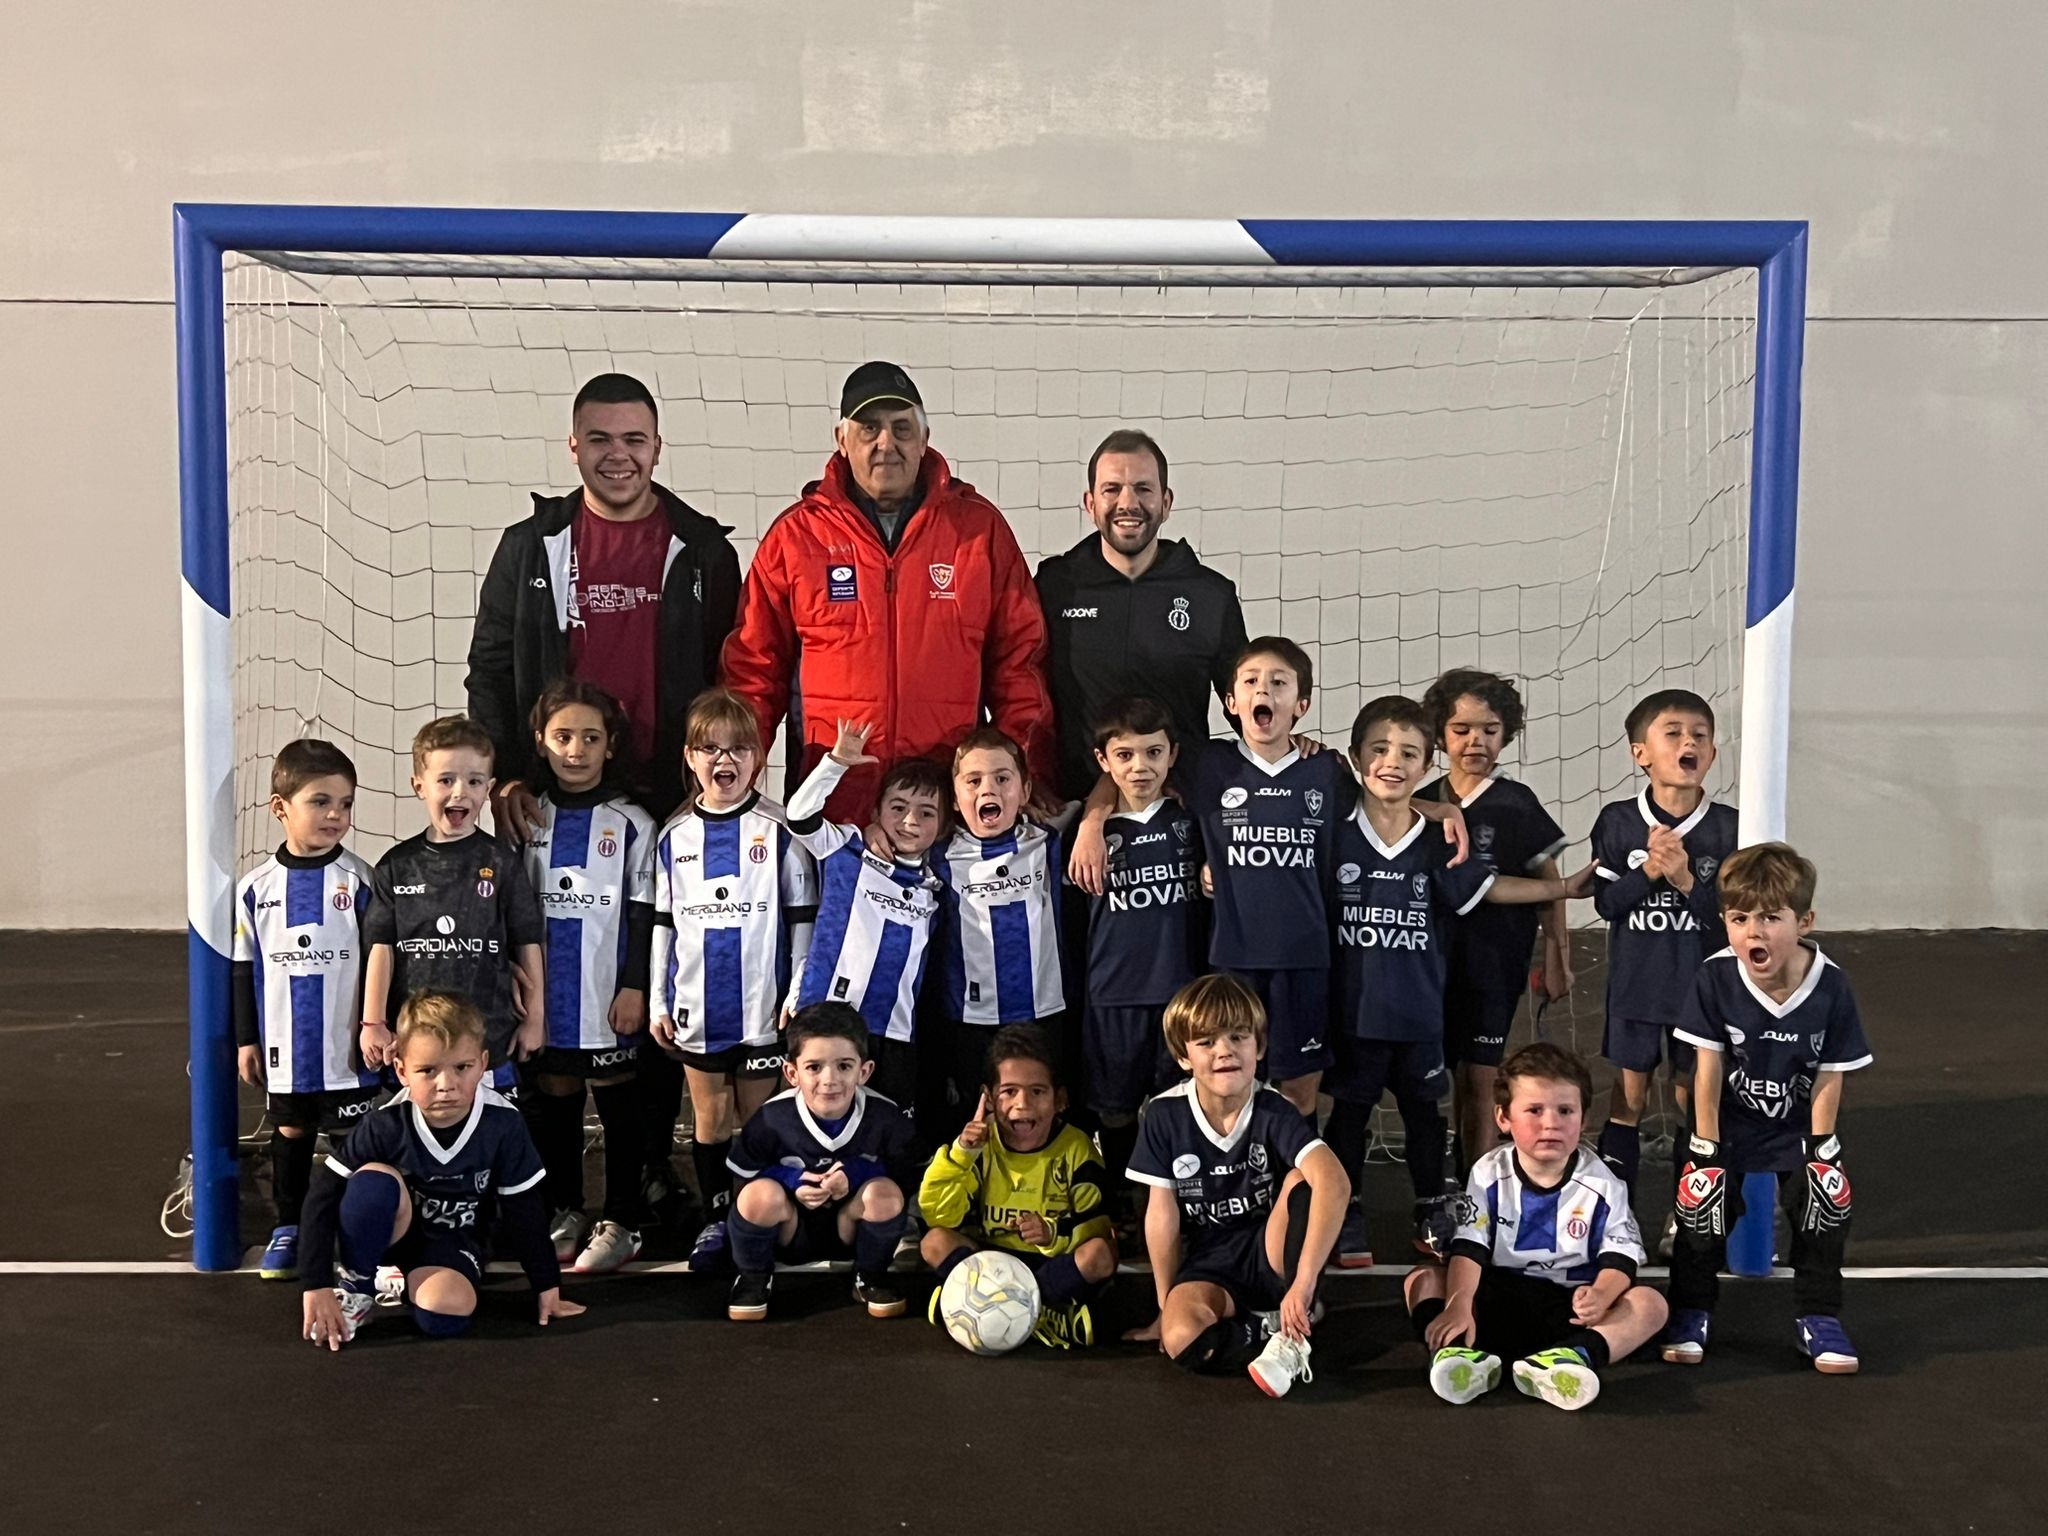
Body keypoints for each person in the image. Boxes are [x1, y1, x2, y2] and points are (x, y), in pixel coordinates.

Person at [719, 361, 1057, 824]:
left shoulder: (979, 532)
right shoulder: (796, 538)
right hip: (834, 810)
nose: (886, 444)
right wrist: (733, 780)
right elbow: (753, 670)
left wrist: (1020, 776)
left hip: (944, 807)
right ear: (842, 439)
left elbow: (1020, 666)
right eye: (869, 428)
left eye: (901, 428)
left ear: (924, 438)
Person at [1324, 696, 1590, 1269]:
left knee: (1425, 1115)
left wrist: (1562, 890)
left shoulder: (1438, 841)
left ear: (1426, 768)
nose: (1392, 762)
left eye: (1408, 753)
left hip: (1420, 1010)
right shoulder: (1334, 836)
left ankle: (1432, 1210)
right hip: (1354, 1012)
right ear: (1355, 758)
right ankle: (1347, 1214)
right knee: (1348, 1114)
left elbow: (1491, 888)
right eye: (1378, 750)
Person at [467, 371, 741, 827]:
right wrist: (507, 779)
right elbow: (490, 671)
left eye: (634, 439)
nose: (618, 455)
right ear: (574, 446)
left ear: (657, 447)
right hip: (550, 795)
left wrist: (712, 779)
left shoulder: (704, 551)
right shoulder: (529, 547)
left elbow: (730, 676)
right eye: (600, 440)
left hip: (676, 794)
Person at [1665, 843, 1872, 1373]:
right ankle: (1691, 1309)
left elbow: (1833, 1070)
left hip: (1798, 1126)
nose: (1753, 932)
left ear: (1804, 921)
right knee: (1699, 1215)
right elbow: (1705, 1068)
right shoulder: (1715, 977)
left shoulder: (1831, 986)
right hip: (1729, 1123)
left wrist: (1823, 1149)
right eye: (1739, 919)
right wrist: (1704, 1148)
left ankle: (1819, 1316)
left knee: (1824, 1212)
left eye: (1770, 918)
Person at [298, 990, 583, 1348]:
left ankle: (404, 1283)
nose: (446, 1085)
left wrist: (547, 1285)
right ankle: (358, 1286)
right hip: (391, 1233)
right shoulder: (386, 1122)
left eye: (461, 1068)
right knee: (371, 1181)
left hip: (454, 1242)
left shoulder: (503, 1125)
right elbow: (323, 1193)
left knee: (445, 1314)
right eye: (428, 1070)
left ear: (482, 1064)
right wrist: (316, 1284)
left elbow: (523, 1209)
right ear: (402, 1070)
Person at [648, 688, 818, 1273]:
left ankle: (762, 1216)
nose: (725, 760)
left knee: (759, 1119)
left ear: (759, 757)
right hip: (699, 1004)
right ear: (690, 758)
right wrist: (657, 1000)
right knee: (710, 1120)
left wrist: (797, 991)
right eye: (710, 748)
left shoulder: (780, 829)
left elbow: (802, 918)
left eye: (740, 748)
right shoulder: (672, 835)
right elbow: (663, 924)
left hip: (764, 1007)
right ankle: (716, 1218)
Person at [1405, 1042, 1665, 1411]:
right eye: (1534, 1110)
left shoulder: (1605, 1184)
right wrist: (1459, 1304)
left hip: (1570, 1309)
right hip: (1495, 1304)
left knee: (1650, 1303)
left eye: (1565, 1111)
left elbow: (1621, 1256)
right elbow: (1469, 1248)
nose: (1551, 1123)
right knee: (1422, 1279)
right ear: (1503, 1118)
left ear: (1583, 1119)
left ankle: (1570, 1360)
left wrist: (1603, 1296)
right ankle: (1461, 1358)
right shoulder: (1488, 1173)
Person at [1126, 975, 1349, 1399]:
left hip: (1270, 1252)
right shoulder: (1164, 1114)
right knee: (1180, 1339)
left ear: (1258, 1047)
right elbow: (1161, 1215)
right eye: (1206, 1042)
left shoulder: (1273, 1109)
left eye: (1237, 1036)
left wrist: (1303, 1283)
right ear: (1183, 1056)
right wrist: (1165, 1303)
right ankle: (1266, 1328)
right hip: (1209, 1264)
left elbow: (1335, 1182)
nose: (1224, 1050)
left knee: (1305, 1178)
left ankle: (1294, 1319)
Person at [518, 679, 657, 1275]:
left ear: (611, 745)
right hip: (547, 1000)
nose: (576, 750)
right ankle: (565, 1208)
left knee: (619, 1100)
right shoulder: (525, 817)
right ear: (541, 742)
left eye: (590, 738)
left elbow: (645, 912)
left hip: (608, 997)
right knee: (556, 1098)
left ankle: (623, 1216)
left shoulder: (632, 823)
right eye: (563, 737)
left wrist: (635, 986)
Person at [1034, 430, 1248, 802]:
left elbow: (1244, 705)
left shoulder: (1210, 594)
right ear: (1090, 503)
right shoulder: (1054, 588)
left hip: (1181, 806)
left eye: (1143, 489)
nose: (1127, 503)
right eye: (1112, 489)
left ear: (1166, 502)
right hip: (1077, 808)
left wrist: (1294, 755)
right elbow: (1022, 689)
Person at [233, 739, 380, 1281]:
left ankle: (354, 1225)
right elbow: (243, 970)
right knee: (291, 1134)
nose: (336, 815)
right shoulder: (255, 889)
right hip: (285, 1049)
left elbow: (381, 962)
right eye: (320, 802)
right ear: (280, 808)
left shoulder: (362, 881)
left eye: (345, 804)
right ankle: (289, 1225)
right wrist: (247, 1039)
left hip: (349, 1049)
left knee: (354, 1139)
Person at [1418, 668, 1573, 1170]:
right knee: (1438, 1074)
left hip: (1495, 962)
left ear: (1506, 732)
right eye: (1461, 729)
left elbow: (1552, 884)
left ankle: (1476, 1184)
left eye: (1488, 729)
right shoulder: (1425, 799)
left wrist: (1557, 957)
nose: (1475, 741)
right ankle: (1442, 1174)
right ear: (1440, 733)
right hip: (1431, 960)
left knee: (1482, 1075)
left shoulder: (1516, 802)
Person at [1588, 689, 1739, 1195]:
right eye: (1672, 733)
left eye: (1699, 735)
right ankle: (1614, 1212)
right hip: (1637, 986)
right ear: (1641, 753)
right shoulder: (1619, 820)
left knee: (1693, 1101)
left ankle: (1689, 1210)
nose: (1687, 743)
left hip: (1701, 992)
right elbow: (1607, 904)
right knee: (1629, 1095)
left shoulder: (1730, 828)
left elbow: (1730, 924)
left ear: (1713, 753)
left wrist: (1686, 881)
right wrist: (1651, 869)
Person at [360, 716, 545, 1105]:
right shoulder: (396, 866)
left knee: (491, 1143)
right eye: (446, 780)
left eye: (474, 781)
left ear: (489, 789)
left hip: (490, 1042)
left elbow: (528, 941)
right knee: (419, 1148)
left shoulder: (502, 861)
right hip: (416, 1048)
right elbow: (382, 947)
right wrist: (374, 1022)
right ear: (419, 786)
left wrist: (535, 1018)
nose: (460, 792)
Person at [783, 719, 948, 1116]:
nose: (910, 821)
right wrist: (836, 763)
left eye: (926, 813)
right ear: (876, 810)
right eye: (898, 808)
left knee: (884, 1134)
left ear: (943, 828)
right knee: (815, 1128)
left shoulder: (939, 882)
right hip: (827, 1020)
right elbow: (799, 816)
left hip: (892, 1032)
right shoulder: (849, 848)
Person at [917, 1025, 1116, 1348]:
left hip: (1052, 1264)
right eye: (1009, 1091)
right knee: (933, 1242)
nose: (1022, 1105)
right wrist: (962, 1155)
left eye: (1037, 1092)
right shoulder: (979, 1145)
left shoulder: (1077, 1149)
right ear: (989, 1098)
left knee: (1099, 1256)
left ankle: (1001, 1309)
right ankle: (1044, 1317)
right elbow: (940, 1215)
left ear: (1059, 1099)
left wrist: (1053, 1233)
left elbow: (1096, 1228)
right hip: (993, 1262)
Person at [1079, 696, 1203, 1215]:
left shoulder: (1192, 819)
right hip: (1115, 996)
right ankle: (1123, 1199)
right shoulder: (1088, 831)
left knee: (1183, 1106)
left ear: (1172, 754)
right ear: (1103, 762)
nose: (1140, 767)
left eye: (1153, 753)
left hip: (1182, 995)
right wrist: (1089, 822)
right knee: (1116, 1109)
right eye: (1125, 755)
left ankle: (1182, 1198)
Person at [723, 1003, 917, 1323]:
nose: (829, 1080)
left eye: (844, 1066)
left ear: (864, 1071)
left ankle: (870, 1275)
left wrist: (855, 1175)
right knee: (758, 1196)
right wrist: (791, 1181)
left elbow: (908, 1176)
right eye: (814, 1067)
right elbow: (744, 1180)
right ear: (792, 1072)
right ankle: (754, 1276)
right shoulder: (772, 1118)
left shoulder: (886, 1117)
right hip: (791, 1232)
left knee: (885, 1193)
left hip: (851, 1232)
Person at [932, 725, 1077, 1140]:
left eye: (1002, 778)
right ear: (956, 798)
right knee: (976, 1119)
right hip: (970, 1020)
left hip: (1044, 1011)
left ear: (1025, 790)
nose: (987, 789)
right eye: (973, 781)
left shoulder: (1051, 839)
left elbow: (1107, 791)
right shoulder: (936, 856)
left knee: (1045, 1117)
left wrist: (1097, 814)